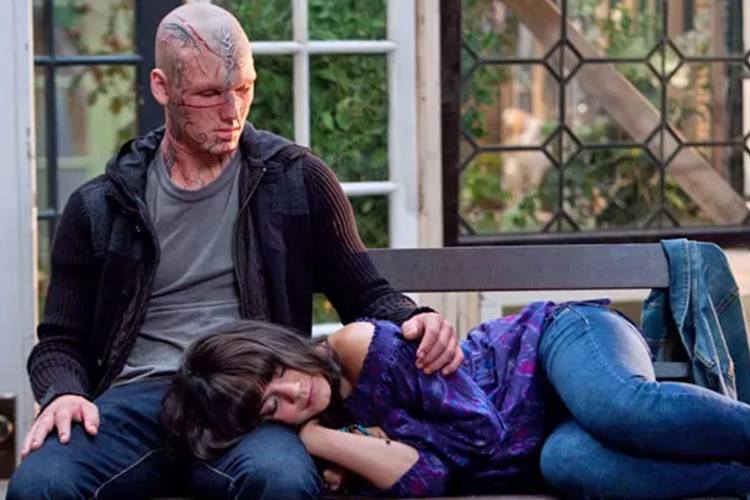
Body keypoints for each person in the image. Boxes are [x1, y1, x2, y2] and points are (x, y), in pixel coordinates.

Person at [7, 4, 463, 499]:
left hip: (252, 402)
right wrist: (65, 392)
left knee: (281, 480)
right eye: (209, 94)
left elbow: (367, 296)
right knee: (39, 484)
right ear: (161, 87)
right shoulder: (101, 205)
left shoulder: (295, 180)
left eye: (243, 88)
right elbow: (60, 340)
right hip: (135, 402)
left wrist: (416, 318)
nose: (232, 112)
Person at [163, 300, 750, 499]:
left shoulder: (361, 348)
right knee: (572, 466)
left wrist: (374, 448)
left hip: (553, 347)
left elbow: (482, 432)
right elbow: (432, 482)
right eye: (273, 407)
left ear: (279, 346)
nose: (295, 391)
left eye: (278, 372)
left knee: (618, 408)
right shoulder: (323, 437)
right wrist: (318, 438)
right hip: (543, 441)